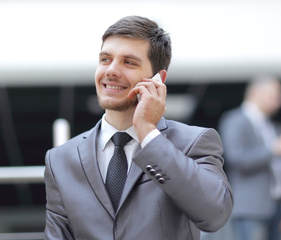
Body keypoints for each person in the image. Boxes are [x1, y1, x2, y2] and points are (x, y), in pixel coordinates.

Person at [44, 16, 233, 240]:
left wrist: (148, 132)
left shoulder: (194, 142)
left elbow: (215, 215)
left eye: (129, 62)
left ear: (158, 79)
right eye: (105, 59)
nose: (111, 70)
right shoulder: (60, 159)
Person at [219, 77, 281, 240]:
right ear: (256, 93)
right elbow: (236, 158)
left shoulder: (273, 126)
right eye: (275, 95)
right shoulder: (234, 120)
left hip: (277, 207)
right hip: (251, 208)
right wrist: (273, 149)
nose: (280, 101)